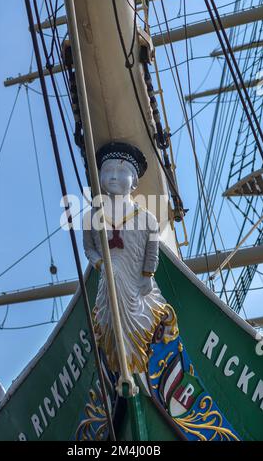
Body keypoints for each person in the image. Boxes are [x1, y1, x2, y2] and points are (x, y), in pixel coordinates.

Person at [83, 142, 167, 374]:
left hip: (135, 281)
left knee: (139, 316)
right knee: (109, 316)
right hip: (109, 278)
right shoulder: (92, 216)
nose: (112, 177)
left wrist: (147, 274)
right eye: (107, 171)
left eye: (121, 172)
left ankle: (137, 361)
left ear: (135, 181)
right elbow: (89, 248)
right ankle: (120, 363)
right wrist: (101, 264)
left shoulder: (146, 217)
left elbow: (153, 249)